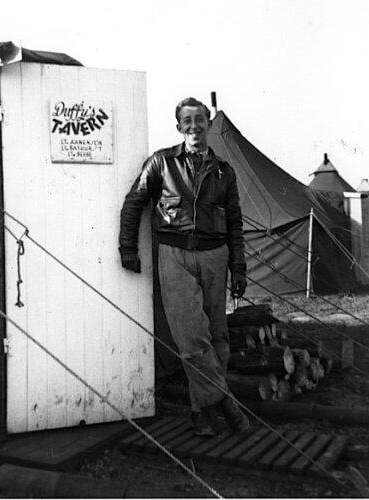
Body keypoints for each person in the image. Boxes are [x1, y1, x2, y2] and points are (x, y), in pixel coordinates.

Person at [118, 97, 249, 435]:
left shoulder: (225, 171)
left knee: (217, 336)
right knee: (192, 340)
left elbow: (235, 221)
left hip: (215, 256)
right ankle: (227, 404)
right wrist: (127, 247)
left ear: (208, 124)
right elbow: (134, 203)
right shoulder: (161, 163)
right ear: (179, 127)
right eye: (187, 121)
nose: (194, 127)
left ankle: (200, 412)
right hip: (175, 255)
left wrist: (239, 266)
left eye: (200, 120)